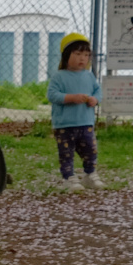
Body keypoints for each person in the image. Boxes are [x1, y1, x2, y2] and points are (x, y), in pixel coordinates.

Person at [47, 32, 104, 190]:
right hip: (64, 125)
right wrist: (71, 97)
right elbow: (52, 95)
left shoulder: (89, 76)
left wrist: (95, 99)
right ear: (66, 55)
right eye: (78, 54)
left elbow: (98, 91)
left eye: (86, 55)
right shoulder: (59, 76)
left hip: (86, 122)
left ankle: (90, 174)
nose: (82, 59)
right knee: (66, 153)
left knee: (90, 150)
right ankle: (69, 178)